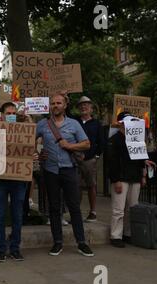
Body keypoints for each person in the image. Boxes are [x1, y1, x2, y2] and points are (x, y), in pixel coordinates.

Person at [36, 93, 94, 257]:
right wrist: (37, 154)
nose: (55, 105)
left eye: (58, 103)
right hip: (50, 170)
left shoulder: (74, 124)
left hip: (69, 169)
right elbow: (28, 140)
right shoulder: (42, 124)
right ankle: (57, 243)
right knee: (54, 208)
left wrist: (69, 145)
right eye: (53, 103)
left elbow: (86, 144)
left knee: (74, 207)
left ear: (65, 105)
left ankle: (81, 242)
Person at [108, 112, 156, 248]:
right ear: (120, 124)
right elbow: (112, 162)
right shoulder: (115, 139)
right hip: (121, 178)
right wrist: (116, 180)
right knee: (118, 209)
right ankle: (116, 235)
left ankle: (127, 234)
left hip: (134, 178)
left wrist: (143, 175)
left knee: (132, 208)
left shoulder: (136, 139)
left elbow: (140, 159)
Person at [0, 102, 28, 262]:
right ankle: (1, 249)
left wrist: (27, 119)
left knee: (17, 214)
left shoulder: (24, 129)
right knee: (0, 214)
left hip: (18, 179)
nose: (11, 115)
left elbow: (31, 146)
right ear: (2, 115)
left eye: (14, 113)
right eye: (8, 113)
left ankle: (15, 248)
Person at [77, 96, 105, 222]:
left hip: (89, 159)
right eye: (81, 105)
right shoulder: (74, 121)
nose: (84, 107)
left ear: (91, 108)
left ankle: (93, 212)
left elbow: (102, 142)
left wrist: (96, 155)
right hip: (75, 159)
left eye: (86, 105)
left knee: (91, 185)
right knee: (75, 186)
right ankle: (75, 211)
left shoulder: (97, 124)